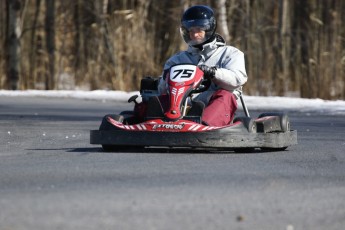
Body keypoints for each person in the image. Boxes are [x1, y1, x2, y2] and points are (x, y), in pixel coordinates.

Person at [157, 5, 248, 126]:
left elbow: (237, 79)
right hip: (181, 103)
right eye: (191, 31)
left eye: (199, 30)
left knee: (226, 95)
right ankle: (153, 123)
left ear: (209, 29)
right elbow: (161, 90)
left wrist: (213, 72)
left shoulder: (230, 53)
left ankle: (205, 126)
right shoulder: (177, 60)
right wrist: (166, 78)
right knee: (157, 99)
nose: (194, 35)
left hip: (212, 102)